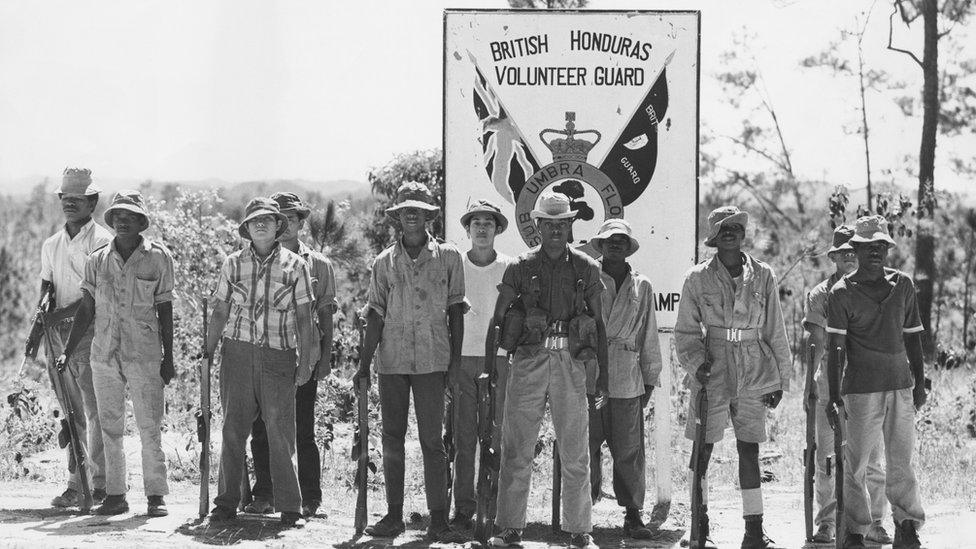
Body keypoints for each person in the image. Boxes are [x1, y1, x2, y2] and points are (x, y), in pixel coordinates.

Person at [488, 190, 608, 549]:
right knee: (517, 446)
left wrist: (600, 374)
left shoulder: (587, 267)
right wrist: (491, 367)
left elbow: (599, 324)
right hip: (528, 360)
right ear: (537, 224)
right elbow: (498, 321)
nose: (556, 229)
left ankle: (579, 529)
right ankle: (509, 526)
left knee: (575, 449)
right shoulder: (520, 267)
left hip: (571, 361)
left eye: (562, 223)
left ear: (571, 224)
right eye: (549, 223)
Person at [355, 182, 468, 543]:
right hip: (392, 361)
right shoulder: (383, 262)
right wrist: (363, 364)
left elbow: (456, 313)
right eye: (406, 210)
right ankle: (393, 516)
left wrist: (454, 363)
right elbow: (375, 314)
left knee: (432, 441)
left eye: (418, 210)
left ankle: (438, 519)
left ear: (428, 216)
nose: (412, 216)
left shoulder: (449, 258)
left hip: (434, 360)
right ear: (398, 218)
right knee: (392, 438)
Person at [674, 205, 791, 549]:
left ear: (743, 234)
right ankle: (699, 526)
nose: (731, 233)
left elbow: (775, 329)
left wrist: (779, 379)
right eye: (723, 228)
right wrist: (698, 364)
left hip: (755, 365)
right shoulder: (697, 277)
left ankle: (754, 532)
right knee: (704, 446)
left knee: (749, 449)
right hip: (714, 364)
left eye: (736, 227)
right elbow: (685, 332)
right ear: (714, 237)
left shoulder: (763, 274)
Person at [57, 190, 175, 517]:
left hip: (145, 354)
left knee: (150, 424)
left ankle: (155, 495)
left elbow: (165, 309)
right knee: (109, 426)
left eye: (130, 217)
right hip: (104, 355)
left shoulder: (158, 258)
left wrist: (169, 358)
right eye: (117, 217)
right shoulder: (96, 260)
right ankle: (115, 493)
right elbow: (86, 309)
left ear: (141, 222)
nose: (122, 222)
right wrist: (68, 351)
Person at [204, 197, 319, 527]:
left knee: (280, 432)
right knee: (232, 431)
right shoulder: (232, 264)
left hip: (278, 357)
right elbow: (220, 311)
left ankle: (290, 507)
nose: (261, 225)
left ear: (278, 225)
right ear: (246, 228)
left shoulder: (296, 265)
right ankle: (225, 503)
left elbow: (304, 317)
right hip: (236, 354)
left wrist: (306, 362)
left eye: (267, 220)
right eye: (254, 221)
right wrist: (207, 353)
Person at [825, 215, 927, 549]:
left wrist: (919, 382)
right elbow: (835, 348)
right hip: (860, 388)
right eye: (869, 246)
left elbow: (913, 338)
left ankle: (907, 523)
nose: (876, 252)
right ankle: (855, 529)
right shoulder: (841, 293)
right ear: (855, 248)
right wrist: (834, 395)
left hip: (900, 385)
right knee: (856, 464)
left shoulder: (904, 285)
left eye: (881, 245)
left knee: (901, 460)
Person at [244, 192, 336, 518]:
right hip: (265, 354)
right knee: (262, 427)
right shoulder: (256, 259)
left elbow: (325, 315)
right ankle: (264, 494)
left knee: (303, 429)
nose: (285, 226)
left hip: (303, 356)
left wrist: (322, 359)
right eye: (278, 219)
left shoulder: (319, 264)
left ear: (299, 223)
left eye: (292, 219)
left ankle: (309, 497)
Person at [803, 225, 890, 544]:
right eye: (843, 253)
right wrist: (809, 388)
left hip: (867, 381)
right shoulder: (821, 294)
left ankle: (875, 520)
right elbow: (814, 341)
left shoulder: (879, 288)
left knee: (870, 456)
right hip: (830, 380)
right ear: (834, 257)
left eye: (855, 251)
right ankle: (827, 521)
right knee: (826, 455)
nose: (850, 257)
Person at [38, 168, 112, 509]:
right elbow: (47, 285)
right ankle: (74, 483)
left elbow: (93, 297)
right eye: (65, 199)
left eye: (77, 199)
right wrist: (43, 310)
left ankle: (100, 485)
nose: (69, 204)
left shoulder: (103, 242)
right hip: (57, 338)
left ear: (92, 202)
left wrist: (60, 315)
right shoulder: (52, 244)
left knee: (94, 411)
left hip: (94, 335)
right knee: (71, 413)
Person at [584, 219, 662, 539]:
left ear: (629, 247)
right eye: (609, 240)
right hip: (591, 373)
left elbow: (648, 333)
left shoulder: (641, 285)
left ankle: (632, 513)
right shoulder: (586, 277)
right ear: (600, 245)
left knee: (629, 449)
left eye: (621, 240)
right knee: (585, 446)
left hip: (628, 374)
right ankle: (580, 512)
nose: (615, 244)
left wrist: (649, 379)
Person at [449, 199, 511, 530]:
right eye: (476, 223)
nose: (482, 228)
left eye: (489, 222)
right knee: (464, 438)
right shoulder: (455, 264)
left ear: (497, 229)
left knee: (496, 434)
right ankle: (464, 506)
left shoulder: (509, 266)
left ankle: (495, 504)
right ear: (468, 229)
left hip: (499, 360)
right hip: (462, 359)